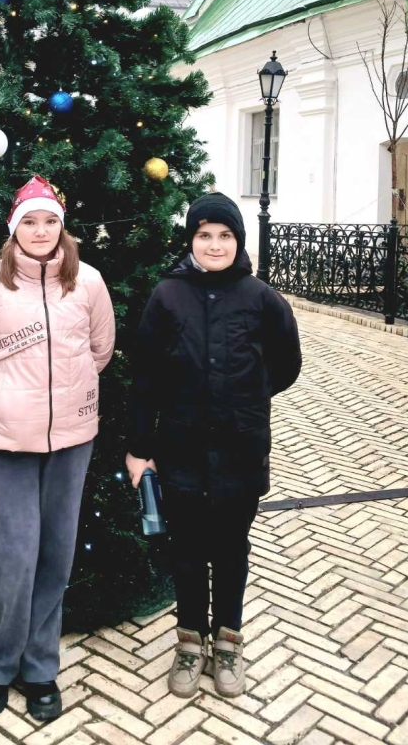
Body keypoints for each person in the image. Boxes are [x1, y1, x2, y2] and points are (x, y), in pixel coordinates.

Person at [0, 175, 115, 722]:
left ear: (62, 227)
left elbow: (100, 350)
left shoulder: (88, 282)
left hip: (71, 440)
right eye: (30, 222)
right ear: (14, 229)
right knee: (14, 554)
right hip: (6, 441)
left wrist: (69, 398)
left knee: (56, 553)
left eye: (50, 221)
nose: (40, 231)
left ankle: (40, 667)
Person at [125, 192, 301, 700]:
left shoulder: (261, 298)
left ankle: (227, 641)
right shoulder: (167, 296)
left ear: (238, 241)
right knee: (185, 551)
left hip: (240, 448)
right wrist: (139, 447)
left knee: (229, 549)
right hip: (179, 447)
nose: (215, 245)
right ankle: (188, 641)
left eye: (225, 236)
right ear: (191, 240)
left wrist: (245, 395)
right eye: (205, 235)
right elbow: (145, 376)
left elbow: (286, 364)